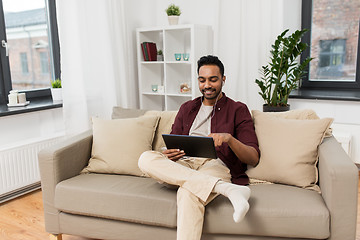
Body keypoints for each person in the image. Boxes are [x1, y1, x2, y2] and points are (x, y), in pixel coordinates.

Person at [138, 55, 260, 240]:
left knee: (189, 192)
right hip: (183, 163)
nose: (207, 85)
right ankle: (227, 189)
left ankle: (222, 186)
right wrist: (169, 153)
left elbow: (253, 157)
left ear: (223, 79)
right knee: (145, 158)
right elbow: (174, 141)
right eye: (202, 80)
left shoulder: (238, 109)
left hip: (215, 165)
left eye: (213, 79)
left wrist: (229, 139)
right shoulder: (187, 108)